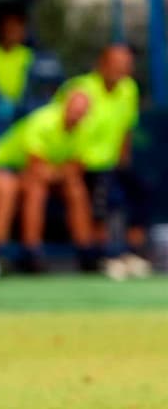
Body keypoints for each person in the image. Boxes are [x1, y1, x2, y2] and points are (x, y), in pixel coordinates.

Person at [56, 45, 149, 279]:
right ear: (102, 64)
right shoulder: (79, 89)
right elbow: (62, 128)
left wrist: (123, 163)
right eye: (116, 64)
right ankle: (99, 256)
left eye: (126, 65)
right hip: (83, 165)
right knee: (104, 198)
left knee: (140, 191)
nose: (121, 70)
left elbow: (126, 129)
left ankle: (131, 253)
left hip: (112, 164)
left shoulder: (129, 89)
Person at [0, 92, 93, 271]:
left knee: (76, 189)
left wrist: (57, 174)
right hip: (5, 167)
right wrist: (60, 173)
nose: (77, 115)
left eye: (82, 112)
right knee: (33, 190)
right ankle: (23, 252)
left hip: (50, 173)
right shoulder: (42, 120)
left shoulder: (85, 128)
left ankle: (86, 252)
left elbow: (77, 167)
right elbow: (35, 166)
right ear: (64, 106)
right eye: (74, 110)